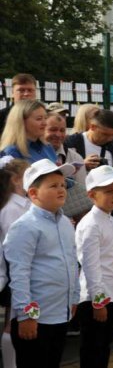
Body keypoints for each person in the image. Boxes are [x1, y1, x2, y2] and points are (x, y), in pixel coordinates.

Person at [4, 159, 78, 367]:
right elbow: (19, 273)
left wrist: (74, 297)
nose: (61, 189)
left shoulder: (65, 223)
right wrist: (26, 315)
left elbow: (72, 262)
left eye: (63, 185)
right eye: (53, 186)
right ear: (34, 193)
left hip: (60, 313)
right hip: (36, 317)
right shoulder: (24, 226)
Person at [75, 166, 113, 368]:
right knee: (92, 348)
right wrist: (99, 302)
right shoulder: (90, 224)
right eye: (108, 191)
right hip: (95, 298)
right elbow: (91, 266)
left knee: (104, 346)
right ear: (91, 194)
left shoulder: (112, 221)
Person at [0, 156, 30, 368]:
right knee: (12, 321)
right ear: (17, 180)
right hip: (13, 269)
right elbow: (14, 241)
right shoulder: (11, 207)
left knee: (16, 319)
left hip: (20, 267)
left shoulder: (24, 203)